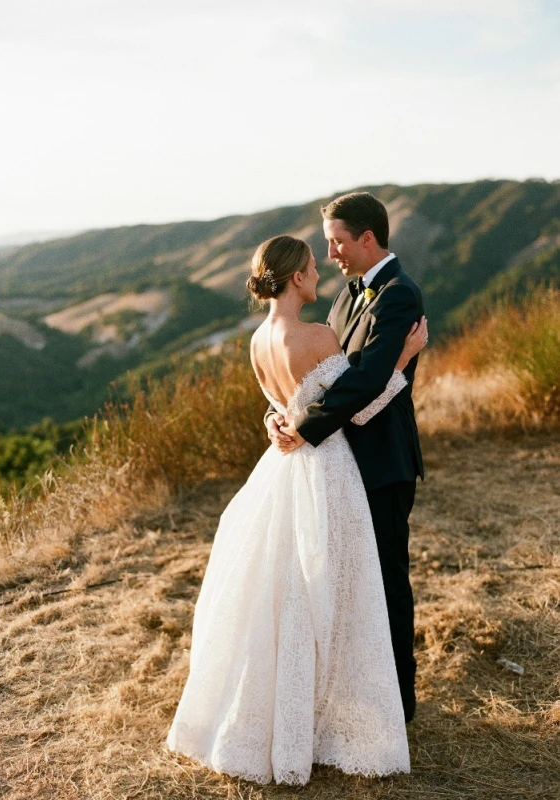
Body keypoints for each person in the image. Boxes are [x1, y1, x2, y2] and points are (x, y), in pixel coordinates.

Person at [167, 234, 427, 785]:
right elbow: (355, 410)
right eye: (311, 266)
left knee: (285, 588)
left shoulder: (259, 341)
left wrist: (277, 424)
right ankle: (331, 715)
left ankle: (283, 713)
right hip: (328, 471)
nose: (319, 273)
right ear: (294, 278)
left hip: (282, 468)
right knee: (334, 592)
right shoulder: (318, 336)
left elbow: (280, 409)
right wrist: (401, 359)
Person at [268, 192, 425, 724]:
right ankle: (352, 695)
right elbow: (312, 377)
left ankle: (398, 705)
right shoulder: (340, 300)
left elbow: (366, 380)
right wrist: (284, 417)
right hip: (338, 463)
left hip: (381, 461)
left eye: (337, 241)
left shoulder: (400, 295)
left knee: (385, 580)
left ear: (367, 238)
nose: (329, 251)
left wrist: (303, 428)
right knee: (343, 583)